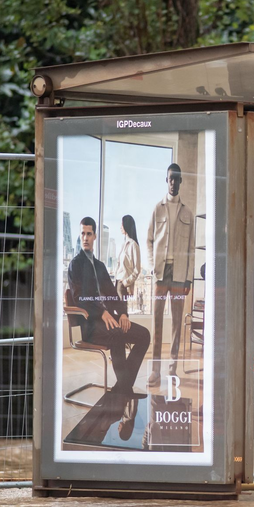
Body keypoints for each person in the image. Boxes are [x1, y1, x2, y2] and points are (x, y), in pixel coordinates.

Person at [67, 217, 150, 393]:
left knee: (144, 335)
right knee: (117, 334)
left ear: (95, 236)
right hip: (90, 325)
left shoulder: (100, 266)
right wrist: (102, 313)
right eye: (83, 233)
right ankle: (124, 389)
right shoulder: (75, 265)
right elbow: (79, 298)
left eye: (89, 234)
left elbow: (113, 294)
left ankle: (122, 387)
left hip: (109, 320)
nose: (85, 238)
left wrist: (123, 314)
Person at [147, 163, 196, 385]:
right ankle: (155, 371)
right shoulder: (157, 208)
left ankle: (172, 369)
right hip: (160, 273)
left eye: (177, 179)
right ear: (166, 180)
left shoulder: (188, 212)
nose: (174, 183)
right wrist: (151, 266)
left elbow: (192, 249)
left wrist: (188, 278)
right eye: (170, 179)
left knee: (177, 323)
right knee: (157, 322)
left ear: (181, 181)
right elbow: (149, 240)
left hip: (179, 275)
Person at [114, 214, 141, 301]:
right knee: (118, 312)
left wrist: (125, 282)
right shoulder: (123, 244)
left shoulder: (133, 245)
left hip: (124, 285)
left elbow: (137, 270)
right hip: (117, 282)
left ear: (126, 225)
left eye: (122, 224)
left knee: (122, 312)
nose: (120, 227)